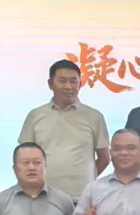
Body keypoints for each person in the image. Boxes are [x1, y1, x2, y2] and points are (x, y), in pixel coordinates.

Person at [18, 59, 111, 201]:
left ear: (80, 84)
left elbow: (104, 157)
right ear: (50, 84)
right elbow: (24, 157)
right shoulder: (35, 115)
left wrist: (87, 180)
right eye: (62, 81)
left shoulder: (94, 116)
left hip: (82, 199)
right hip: (44, 197)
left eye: (73, 81)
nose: (69, 86)